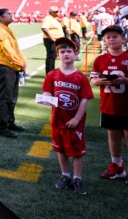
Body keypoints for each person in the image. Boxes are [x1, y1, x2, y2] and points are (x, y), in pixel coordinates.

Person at [41, 37, 93, 195]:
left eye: (69, 51)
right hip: (57, 121)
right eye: (62, 51)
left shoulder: (81, 77)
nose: (66, 54)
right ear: (58, 55)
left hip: (74, 122)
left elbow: (84, 99)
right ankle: (65, 175)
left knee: (77, 152)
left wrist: (77, 118)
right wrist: (46, 99)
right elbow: (47, 91)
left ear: (76, 54)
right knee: (61, 150)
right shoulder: (52, 75)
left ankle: (77, 177)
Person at [90, 25, 128, 188]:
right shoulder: (100, 59)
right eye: (107, 37)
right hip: (108, 104)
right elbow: (93, 79)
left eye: (115, 36)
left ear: (123, 38)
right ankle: (117, 166)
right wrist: (99, 81)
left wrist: (125, 81)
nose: (111, 39)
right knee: (113, 136)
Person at [0, 8, 27, 138]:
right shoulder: (1, 32)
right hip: (5, 67)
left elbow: (16, 50)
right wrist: (21, 63)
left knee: (12, 97)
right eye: (9, 14)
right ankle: (1, 127)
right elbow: (8, 51)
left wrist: (22, 61)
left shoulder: (6, 30)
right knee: (5, 98)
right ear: (0, 17)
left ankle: (10, 122)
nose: (12, 15)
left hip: (11, 66)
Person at [41, 6, 63, 75]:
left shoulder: (53, 18)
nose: (59, 13)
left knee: (53, 56)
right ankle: (49, 73)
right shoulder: (48, 19)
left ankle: (51, 72)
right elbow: (44, 28)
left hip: (54, 40)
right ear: (52, 13)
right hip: (50, 40)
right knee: (51, 56)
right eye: (57, 11)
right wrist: (51, 38)